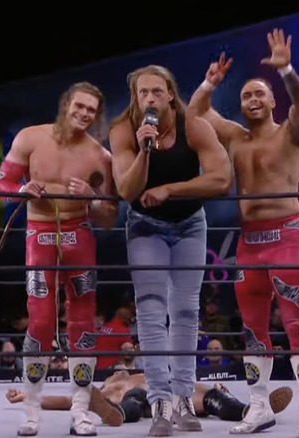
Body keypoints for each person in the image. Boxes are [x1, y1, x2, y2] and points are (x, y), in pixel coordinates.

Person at [187, 29, 299, 437]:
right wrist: (210, 82)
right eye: (246, 95)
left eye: (260, 93)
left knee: (297, 324)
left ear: (272, 99)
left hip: (286, 238)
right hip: (249, 243)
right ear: (240, 104)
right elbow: (194, 113)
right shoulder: (233, 137)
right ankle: (258, 408)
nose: (253, 100)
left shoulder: (291, 132)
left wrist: (287, 70)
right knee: (252, 330)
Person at [108, 64, 233, 436]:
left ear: (170, 94)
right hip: (146, 224)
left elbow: (222, 178)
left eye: (157, 92)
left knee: (185, 310)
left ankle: (182, 398)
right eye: (143, 92)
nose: (149, 98)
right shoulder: (122, 129)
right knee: (149, 309)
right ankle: (159, 402)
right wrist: (145, 150)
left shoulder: (191, 122)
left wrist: (171, 189)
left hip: (190, 222)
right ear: (136, 96)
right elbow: (127, 191)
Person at [0, 81, 119, 437]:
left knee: (82, 322)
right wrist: (22, 189)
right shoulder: (31, 137)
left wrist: (93, 198)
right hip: (40, 234)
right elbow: (2, 184)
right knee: (40, 322)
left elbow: (109, 217)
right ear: (66, 104)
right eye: (78, 106)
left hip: (80, 236)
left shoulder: (100, 156)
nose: (83, 114)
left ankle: (80, 412)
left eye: (90, 111)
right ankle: (31, 412)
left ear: (96, 116)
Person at [5, 371, 293, 426]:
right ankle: (111, 414)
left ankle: (251, 409)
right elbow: (70, 401)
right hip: (135, 396)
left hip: (174, 389)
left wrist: (220, 388)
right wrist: (29, 398)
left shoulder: (154, 369)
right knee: (132, 401)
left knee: (211, 396)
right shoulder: (114, 383)